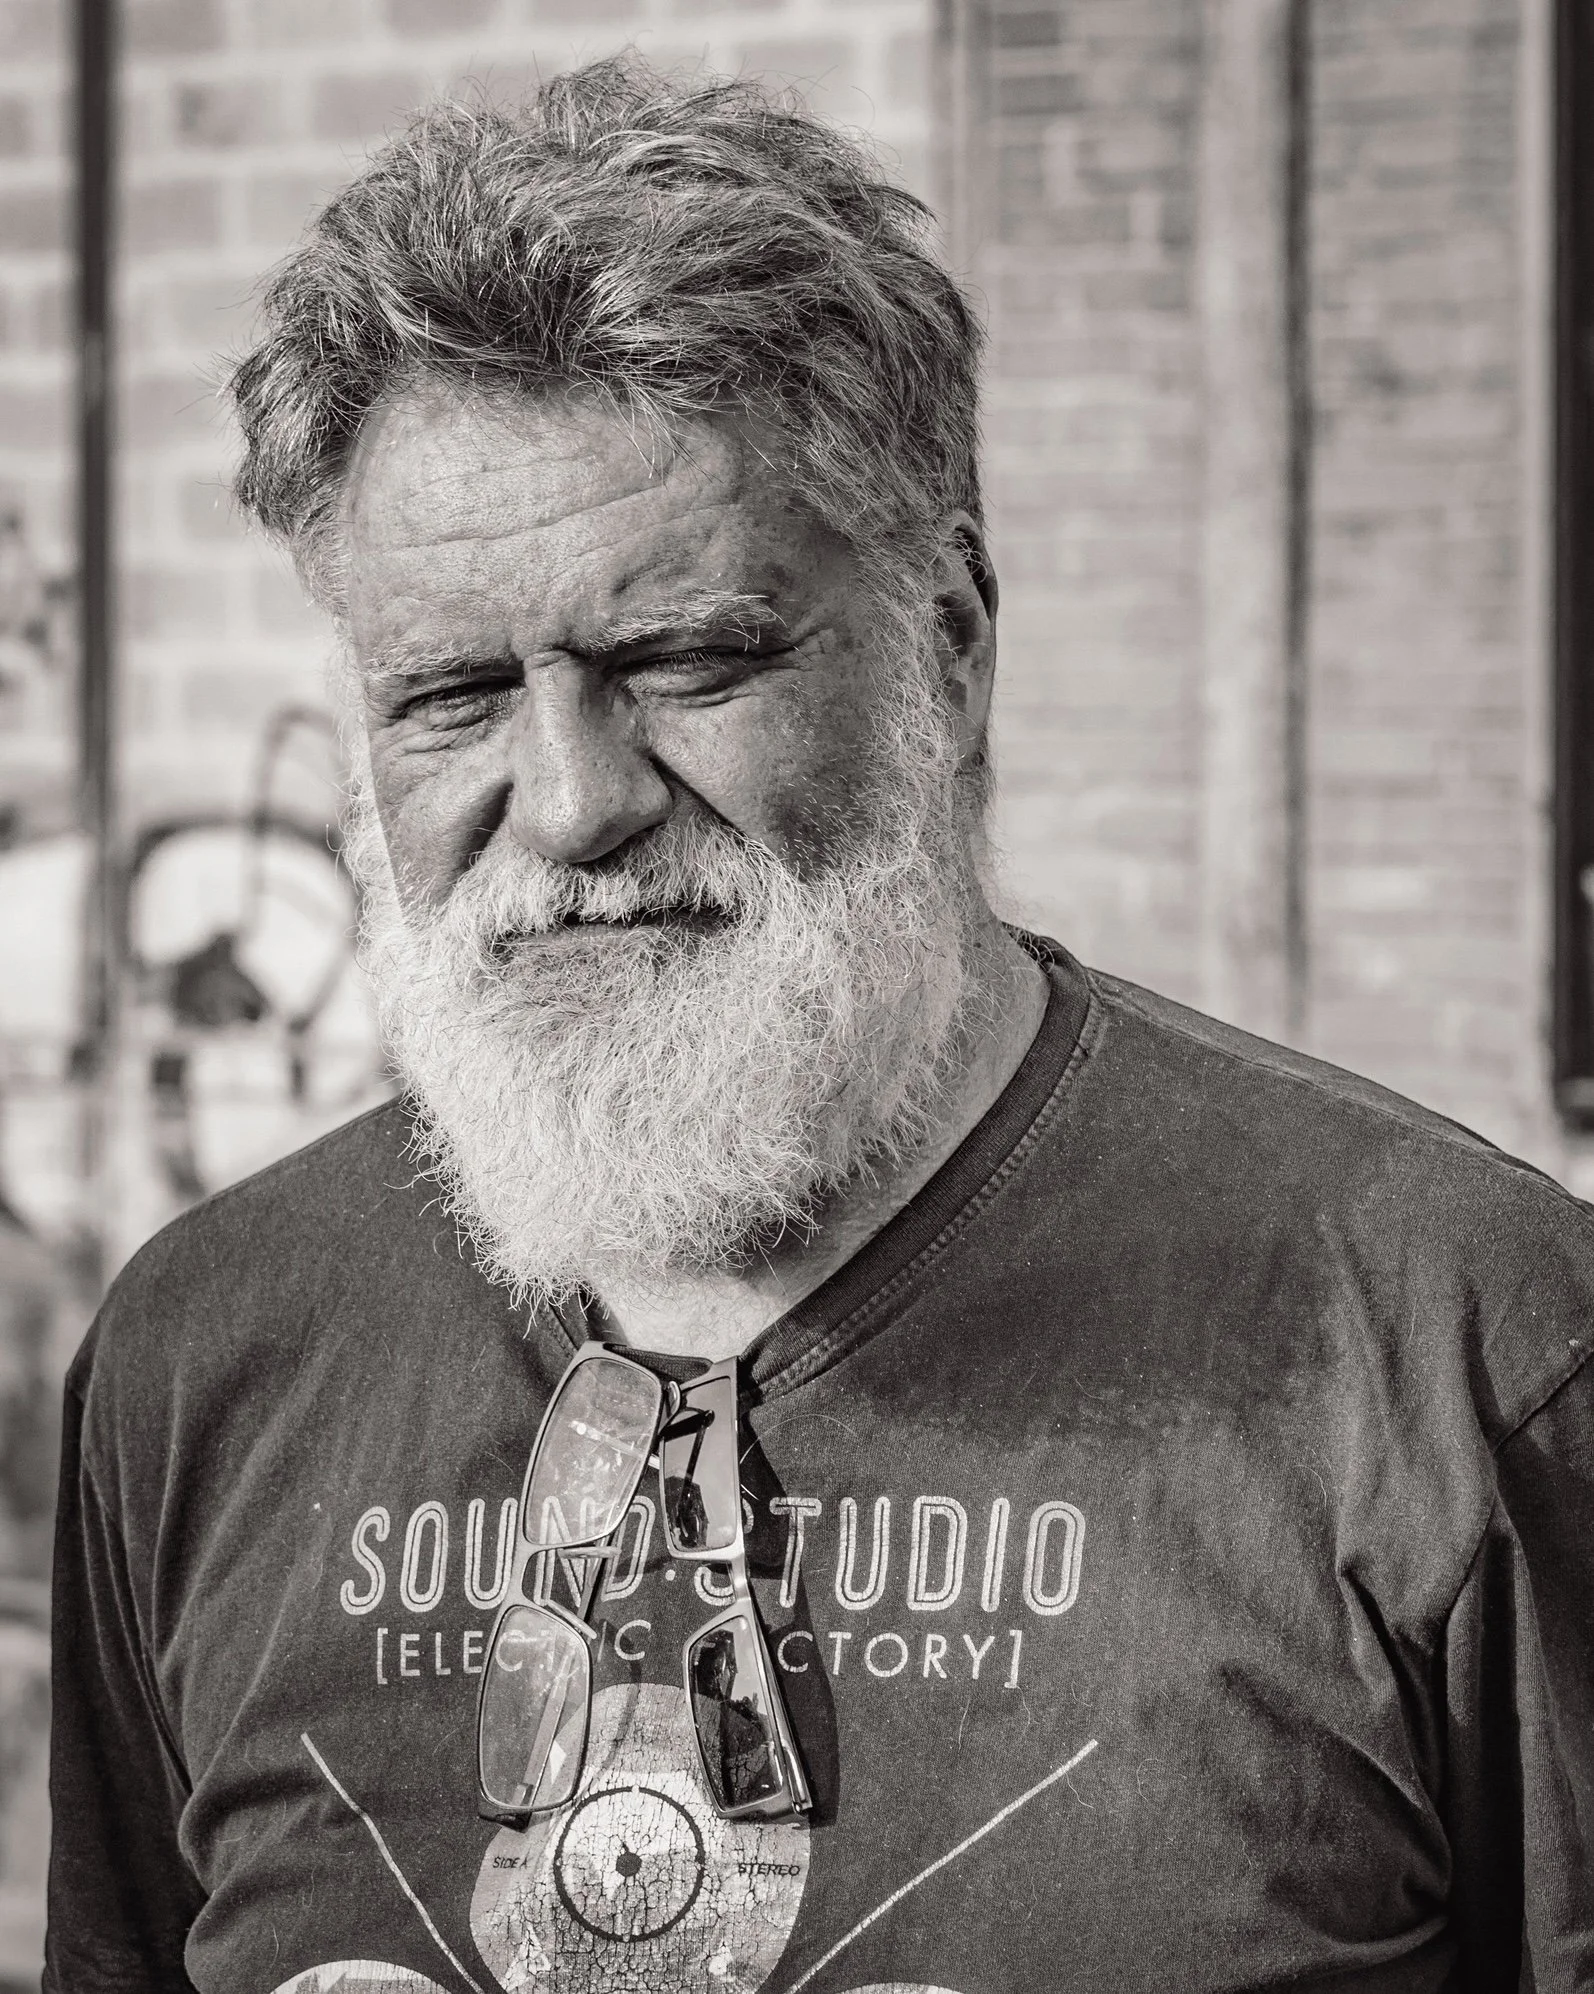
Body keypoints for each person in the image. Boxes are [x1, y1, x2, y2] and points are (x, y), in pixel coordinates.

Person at [45, 55, 1594, 1994]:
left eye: (686, 658)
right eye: (449, 694)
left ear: (948, 643)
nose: (571, 800)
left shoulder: (1459, 1346)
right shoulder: (207, 1357)